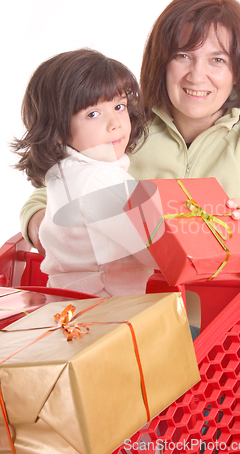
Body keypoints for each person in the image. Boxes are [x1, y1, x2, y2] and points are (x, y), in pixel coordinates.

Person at [19, 0, 240, 278]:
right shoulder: (126, 119)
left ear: (239, 71)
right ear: (162, 62)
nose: (197, 75)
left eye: (217, 60)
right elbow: (58, 187)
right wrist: (56, 236)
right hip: (134, 295)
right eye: (183, 55)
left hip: (227, 302)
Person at [12, 49, 157, 296]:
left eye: (119, 106)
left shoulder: (64, 174)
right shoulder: (102, 180)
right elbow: (157, 250)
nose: (115, 123)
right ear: (57, 129)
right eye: (93, 114)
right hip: (111, 314)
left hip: (71, 311)